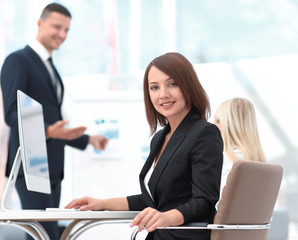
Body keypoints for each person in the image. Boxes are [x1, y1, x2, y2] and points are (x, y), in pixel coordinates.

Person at [66, 52, 223, 240]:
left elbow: (204, 201)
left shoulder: (204, 133)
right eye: (154, 87)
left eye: (172, 84)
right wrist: (101, 203)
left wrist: (166, 217)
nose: (163, 94)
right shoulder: (160, 138)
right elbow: (152, 200)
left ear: (188, 85)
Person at [0, 3, 108, 240]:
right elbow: (11, 114)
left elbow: (53, 126)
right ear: (40, 23)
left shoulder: (50, 67)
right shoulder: (18, 61)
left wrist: (88, 139)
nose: (62, 35)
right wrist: (49, 131)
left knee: (39, 236)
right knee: (45, 236)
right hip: (30, 167)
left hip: (51, 169)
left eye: (67, 30)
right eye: (57, 27)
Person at [213, 98, 266, 197]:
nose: (213, 124)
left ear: (231, 125)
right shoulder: (259, 163)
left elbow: (220, 204)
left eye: (218, 120)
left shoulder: (230, 160)